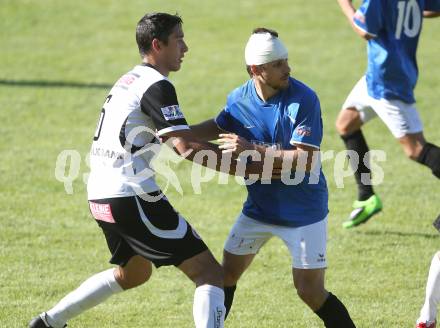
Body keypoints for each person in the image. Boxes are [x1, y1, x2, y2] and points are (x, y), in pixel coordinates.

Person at [28, 12, 268, 328]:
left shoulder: (129, 79)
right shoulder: (157, 86)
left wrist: (223, 131)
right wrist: (248, 169)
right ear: (158, 44)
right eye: (179, 39)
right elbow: (183, 147)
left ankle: (48, 322)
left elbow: (175, 134)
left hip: (100, 196)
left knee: (133, 273)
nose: (186, 47)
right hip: (131, 195)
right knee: (209, 273)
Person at [190, 28, 356, 327]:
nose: (288, 69)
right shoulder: (238, 99)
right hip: (259, 209)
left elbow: (306, 161)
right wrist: (174, 133)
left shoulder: (304, 99)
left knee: (310, 292)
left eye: (286, 61)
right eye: (278, 64)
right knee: (223, 276)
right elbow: (218, 125)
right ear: (256, 70)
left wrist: (250, 148)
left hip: (304, 212)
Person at [336, 0, 440, 228]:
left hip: (387, 81)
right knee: (346, 124)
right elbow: (432, 8)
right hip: (381, 75)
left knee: (415, 149)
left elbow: (365, 30)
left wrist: (344, 4)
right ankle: (367, 197)